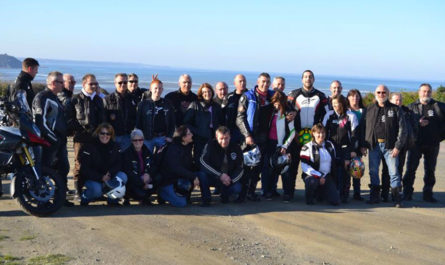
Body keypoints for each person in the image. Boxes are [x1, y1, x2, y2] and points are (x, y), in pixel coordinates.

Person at [285, 70, 328, 201]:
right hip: (296, 137)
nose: (308, 79)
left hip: (313, 139)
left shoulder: (321, 96)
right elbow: (285, 115)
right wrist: (294, 132)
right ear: (302, 79)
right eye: (305, 77)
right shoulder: (293, 95)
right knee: (292, 166)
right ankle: (288, 193)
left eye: (310, 77)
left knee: (313, 166)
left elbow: (326, 116)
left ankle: (314, 193)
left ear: (314, 79)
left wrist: (320, 135)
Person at [32, 71, 73, 207]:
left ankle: (60, 198)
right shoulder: (43, 97)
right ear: (54, 83)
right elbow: (40, 122)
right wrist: (52, 139)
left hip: (59, 141)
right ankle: (41, 200)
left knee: (63, 168)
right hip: (48, 142)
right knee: (45, 170)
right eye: (62, 82)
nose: (64, 85)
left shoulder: (55, 97)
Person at [364, 85, 406, 207]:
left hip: (390, 147)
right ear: (375, 93)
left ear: (388, 93)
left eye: (384, 92)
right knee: (373, 172)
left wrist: (398, 146)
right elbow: (363, 128)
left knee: (394, 173)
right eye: (379, 92)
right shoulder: (370, 108)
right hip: (374, 146)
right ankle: (374, 197)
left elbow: (403, 130)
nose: (381, 94)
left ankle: (397, 199)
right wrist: (363, 144)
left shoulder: (396, 109)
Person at [403, 84, 445, 202]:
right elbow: (405, 124)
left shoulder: (438, 106)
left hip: (433, 144)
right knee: (410, 169)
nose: (426, 93)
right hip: (415, 144)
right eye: (424, 91)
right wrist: (417, 122)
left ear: (431, 93)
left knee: (430, 170)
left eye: (428, 91)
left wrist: (439, 137)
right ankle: (407, 193)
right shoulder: (410, 107)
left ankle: (428, 194)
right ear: (419, 92)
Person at [236, 72, 275, 201]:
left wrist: (290, 113)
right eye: (263, 81)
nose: (265, 84)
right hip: (249, 137)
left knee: (259, 167)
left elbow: (287, 107)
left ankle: (251, 192)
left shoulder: (273, 96)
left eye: (267, 82)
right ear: (258, 82)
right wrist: (247, 135)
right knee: (246, 166)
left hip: (265, 138)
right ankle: (241, 193)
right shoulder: (248, 96)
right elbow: (240, 118)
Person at [68, 74, 106, 194]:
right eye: (91, 84)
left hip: (96, 138)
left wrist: (99, 132)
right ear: (84, 84)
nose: (94, 86)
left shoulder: (99, 100)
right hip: (80, 138)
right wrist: (79, 129)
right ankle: (78, 191)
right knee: (79, 163)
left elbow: (103, 119)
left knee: (96, 163)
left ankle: (93, 191)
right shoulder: (75, 99)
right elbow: (69, 119)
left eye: (96, 84)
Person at [79, 123, 127, 206]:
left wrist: (110, 173)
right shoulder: (89, 146)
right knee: (97, 191)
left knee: (123, 176)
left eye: (108, 134)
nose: (105, 136)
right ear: (98, 133)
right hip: (93, 177)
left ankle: (112, 199)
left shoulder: (115, 146)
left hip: (108, 176)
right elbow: (84, 169)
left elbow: (118, 163)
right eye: (102, 133)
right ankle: (85, 196)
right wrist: (100, 177)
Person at [322, 95, 359, 203]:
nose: (334, 106)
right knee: (332, 172)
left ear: (342, 103)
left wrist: (352, 150)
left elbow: (354, 135)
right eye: (333, 104)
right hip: (331, 149)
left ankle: (344, 195)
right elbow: (323, 132)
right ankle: (333, 194)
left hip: (346, 149)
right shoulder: (329, 115)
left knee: (345, 172)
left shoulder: (351, 116)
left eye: (336, 103)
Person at [158, 125, 203, 207]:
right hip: (169, 181)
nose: (192, 135)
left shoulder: (187, 146)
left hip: (181, 179)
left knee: (201, 175)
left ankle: (184, 195)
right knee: (181, 203)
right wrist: (193, 176)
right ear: (183, 138)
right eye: (189, 134)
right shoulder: (173, 149)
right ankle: (163, 193)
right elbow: (176, 168)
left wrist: (195, 175)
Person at [262, 91, 295, 200]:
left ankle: (287, 193)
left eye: (279, 102)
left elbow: (292, 132)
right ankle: (268, 191)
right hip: (269, 144)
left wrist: (285, 146)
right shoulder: (270, 112)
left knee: (284, 169)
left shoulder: (287, 114)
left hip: (282, 145)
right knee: (269, 169)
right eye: (275, 101)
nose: (277, 104)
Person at [380, 92, 412, 202]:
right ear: (391, 100)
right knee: (386, 171)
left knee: (398, 170)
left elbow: (411, 127)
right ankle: (384, 193)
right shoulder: (388, 110)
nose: (398, 102)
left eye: (400, 100)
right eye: (396, 100)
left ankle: (396, 194)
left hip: (402, 146)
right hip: (389, 146)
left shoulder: (407, 112)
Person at [199, 126, 243, 205]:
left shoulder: (236, 147)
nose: (224, 141)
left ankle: (225, 195)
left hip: (228, 180)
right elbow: (203, 162)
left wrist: (231, 180)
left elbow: (240, 168)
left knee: (237, 188)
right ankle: (206, 198)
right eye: (221, 138)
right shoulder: (210, 145)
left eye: (226, 138)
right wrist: (219, 175)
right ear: (216, 137)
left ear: (230, 137)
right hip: (214, 177)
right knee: (202, 175)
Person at [184, 83, 223, 164]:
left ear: (212, 92)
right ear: (201, 94)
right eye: (204, 92)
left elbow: (221, 122)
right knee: (199, 161)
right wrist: (197, 131)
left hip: (214, 138)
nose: (207, 94)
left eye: (209, 91)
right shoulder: (195, 105)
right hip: (199, 138)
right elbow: (186, 123)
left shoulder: (216, 106)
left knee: (213, 160)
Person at [300, 123, 339, 205]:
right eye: (318, 133)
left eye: (323, 132)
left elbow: (335, 160)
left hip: (326, 176)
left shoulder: (330, 145)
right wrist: (319, 176)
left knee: (335, 201)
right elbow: (304, 166)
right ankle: (310, 197)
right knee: (312, 182)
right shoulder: (307, 147)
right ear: (313, 133)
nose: (321, 135)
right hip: (313, 176)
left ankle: (320, 193)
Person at [136, 75, 175, 153]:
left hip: (163, 138)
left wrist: (170, 136)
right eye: (155, 88)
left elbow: (172, 122)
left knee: (162, 160)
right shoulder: (143, 104)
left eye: (160, 88)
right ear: (150, 89)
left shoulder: (167, 104)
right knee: (147, 159)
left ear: (162, 89)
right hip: (147, 138)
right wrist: (140, 137)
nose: (158, 90)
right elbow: (138, 123)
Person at [122, 129, 156, 206]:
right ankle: (133, 197)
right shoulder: (127, 154)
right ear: (131, 141)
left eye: (140, 139)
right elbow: (128, 172)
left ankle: (145, 196)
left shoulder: (147, 151)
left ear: (143, 140)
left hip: (146, 179)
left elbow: (154, 166)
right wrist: (142, 183)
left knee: (159, 178)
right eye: (135, 140)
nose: (138, 142)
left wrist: (149, 174)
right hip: (135, 182)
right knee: (141, 194)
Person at [105, 73, 137, 150]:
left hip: (127, 136)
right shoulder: (108, 99)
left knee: (125, 159)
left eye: (125, 82)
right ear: (115, 83)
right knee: (112, 159)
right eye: (120, 82)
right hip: (113, 136)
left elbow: (135, 116)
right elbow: (104, 119)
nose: (123, 84)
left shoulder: (132, 98)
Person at [346, 89, 367, 201]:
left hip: (359, 145)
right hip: (346, 144)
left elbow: (366, 130)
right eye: (352, 96)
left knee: (357, 168)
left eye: (357, 96)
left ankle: (357, 193)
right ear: (348, 98)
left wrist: (363, 146)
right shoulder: (345, 111)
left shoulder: (364, 111)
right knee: (345, 168)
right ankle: (345, 192)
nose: (355, 98)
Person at [226, 74, 247, 144]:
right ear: (235, 83)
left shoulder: (250, 96)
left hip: (246, 131)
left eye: (244, 81)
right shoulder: (229, 97)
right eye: (240, 81)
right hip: (231, 131)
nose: (243, 83)